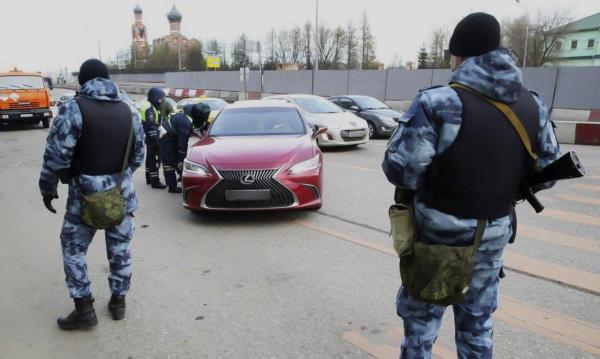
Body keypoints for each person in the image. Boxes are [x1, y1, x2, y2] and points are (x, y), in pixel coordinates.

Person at [382, 13, 560, 358]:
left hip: (438, 241)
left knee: (420, 332)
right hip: (493, 236)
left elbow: (400, 170)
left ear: (459, 56)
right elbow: (549, 174)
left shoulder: (439, 102)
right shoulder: (532, 104)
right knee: (477, 330)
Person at [39, 59, 145, 330]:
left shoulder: (73, 108)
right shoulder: (129, 109)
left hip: (83, 197)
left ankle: (84, 309)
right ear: (108, 78)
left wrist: (48, 188)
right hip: (121, 195)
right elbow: (139, 156)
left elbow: (56, 156)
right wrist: (116, 177)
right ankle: (118, 302)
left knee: (73, 248)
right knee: (120, 249)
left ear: (82, 82)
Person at [159, 102, 210, 193]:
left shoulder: (191, 112)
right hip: (166, 137)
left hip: (174, 134)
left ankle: (180, 176)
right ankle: (172, 187)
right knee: (169, 162)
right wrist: (180, 160)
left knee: (178, 158)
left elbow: (201, 127)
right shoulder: (185, 122)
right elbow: (182, 145)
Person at [140, 87, 167, 189]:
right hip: (153, 137)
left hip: (149, 136)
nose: (161, 100)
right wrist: (157, 140)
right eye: (160, 98)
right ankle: (155, 181)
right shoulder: (149, 107)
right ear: (155, 97)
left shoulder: (149, 105)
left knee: (150, 158)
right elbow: (151, 125)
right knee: (155, 159)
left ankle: (149, 177)